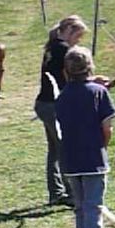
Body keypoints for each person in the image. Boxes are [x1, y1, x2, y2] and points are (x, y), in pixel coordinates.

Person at [55, 45, 115, 228]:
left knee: (81, 211)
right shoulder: (98, 93)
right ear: (90, 67)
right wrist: (102, 146)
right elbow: (107, 128)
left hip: (71, 161)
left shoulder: (62, 96)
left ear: (66, 71)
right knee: (93, 212)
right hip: (93, 160)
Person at [34, 15, 88, 206]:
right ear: (69, 31)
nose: (78, 41)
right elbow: (70, 78)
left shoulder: (52, 46)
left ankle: (56, 192)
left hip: (44, 104)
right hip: (53, 105)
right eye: (78, 36)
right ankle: (72, 193)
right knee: (65, 149)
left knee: (55, 150)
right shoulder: (64, 49)